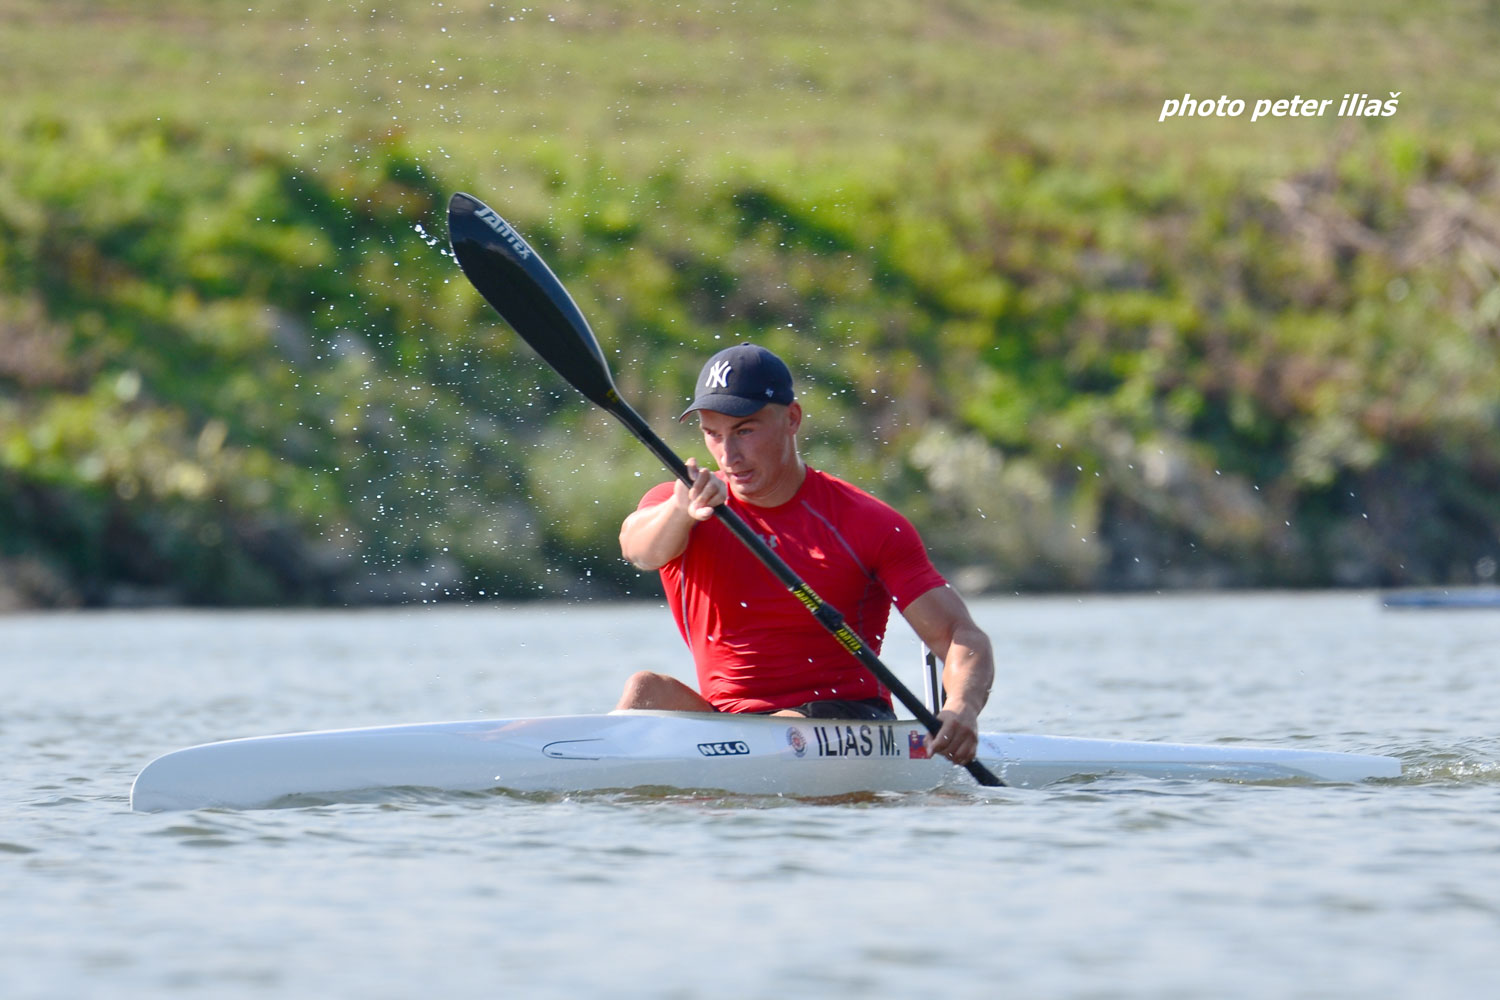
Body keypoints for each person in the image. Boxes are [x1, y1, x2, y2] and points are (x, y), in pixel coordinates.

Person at [616, 343, 994, 765]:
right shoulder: (678, 505)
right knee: (644, 690)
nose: (728, 454)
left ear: (791, 418)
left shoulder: (864, 522)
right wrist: (680, 512)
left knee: (786, 727)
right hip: (734, 725)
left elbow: (960, 635)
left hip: (845, 720)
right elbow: (639, 551)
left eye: (745, 431)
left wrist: (961, 708)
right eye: (713, 434)